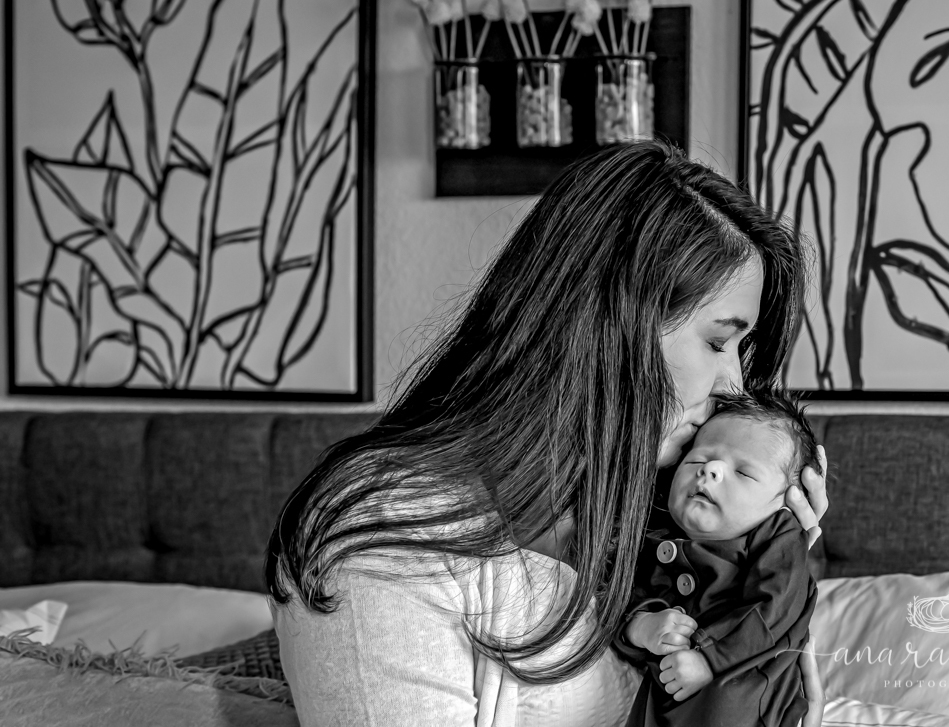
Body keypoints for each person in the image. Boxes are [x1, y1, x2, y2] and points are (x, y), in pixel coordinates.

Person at [264, 140, 830, 727]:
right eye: (717, 341)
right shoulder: (389, 539)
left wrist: (759, 556)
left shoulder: (641, 518)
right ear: (605, 323)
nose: (736, 384)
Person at [617, 389, 821, 727]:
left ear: (788, 503)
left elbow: (774, 609)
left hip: (746, 687)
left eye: (743, 472)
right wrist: (640, 627)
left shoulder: (779, 539)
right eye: (696, 460)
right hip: (669, 693)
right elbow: (618, 597)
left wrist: (710, 658)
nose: (709, 469)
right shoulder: (651, 536)